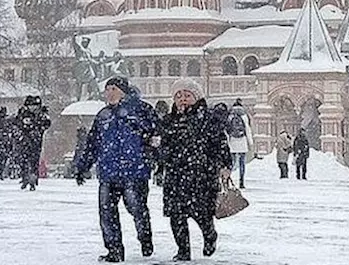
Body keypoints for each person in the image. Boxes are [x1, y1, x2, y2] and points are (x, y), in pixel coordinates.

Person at [75, 76, 158, 262]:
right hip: (108, 172)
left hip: (135, 171)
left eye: (114, 89)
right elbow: (92, 144)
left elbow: (156, 136)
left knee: (136, 208)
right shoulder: (103, 115)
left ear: (124, 91)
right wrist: (83, 166)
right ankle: (114, 250)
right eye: (107, 89)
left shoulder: (141, 110)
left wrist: (154, 156)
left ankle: (145, 237)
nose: (110, 93)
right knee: (106, 212)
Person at [158, 79, 231, 261]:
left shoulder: (207, 119)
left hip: (202, 174)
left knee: (202, 214)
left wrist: (225, 165)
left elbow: (220, 143)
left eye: (187, 95)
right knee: (176, 215)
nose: (183, 99)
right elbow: (163, 146)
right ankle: (183, 250)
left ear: (196, 97)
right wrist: (160, 163)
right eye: (178, 96)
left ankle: (209, 235)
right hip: (175, 175)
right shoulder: (168, 121)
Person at [14, 94, 52, 190]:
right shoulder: (23, 113)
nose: (33, 108)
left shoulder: (41, 114)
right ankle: (25, 176)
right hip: (24, 141)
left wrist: (38, 127)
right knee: (23, 159)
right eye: (31, 106)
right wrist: (24, 128)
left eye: (35, 106)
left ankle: (33, 178)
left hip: (36, 141)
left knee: (34, 160)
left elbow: (47, 124)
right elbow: (17, 123)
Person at [224, 100, 253, 189]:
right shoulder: (244, 115)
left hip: (232, 141)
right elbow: (247, 128)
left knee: (231, 163)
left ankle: (228, 179)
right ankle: (241, 181)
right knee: (242, 163)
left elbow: (227, 129)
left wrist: (227, 141)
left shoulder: (230, 115)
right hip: (242, 141)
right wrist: (250, 142)